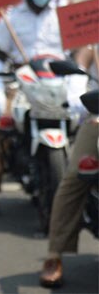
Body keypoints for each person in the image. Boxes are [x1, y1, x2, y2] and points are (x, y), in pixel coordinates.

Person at [0, 0, 67, 217]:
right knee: (0, 129)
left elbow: (80, 51)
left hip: (59, 82)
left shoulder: (64, 14)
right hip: (21, 83)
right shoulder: (10, 17)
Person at [39, 45, 98, 288]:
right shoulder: (93, 45)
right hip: (97, 117)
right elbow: (77, 75)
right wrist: (81, 100)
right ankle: (55, 255)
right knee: (75, 176)